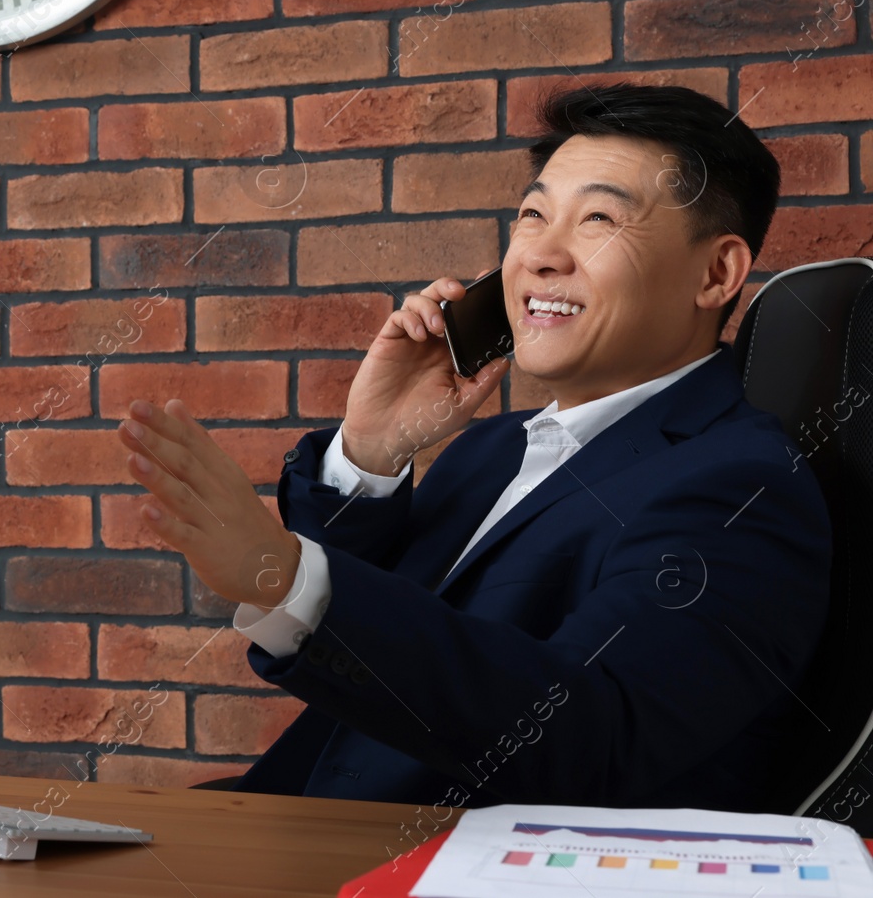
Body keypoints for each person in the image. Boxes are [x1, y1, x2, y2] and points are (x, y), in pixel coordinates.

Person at [118, 82, 832, 813]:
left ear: (716, 274)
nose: (541, 255)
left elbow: (594, 736)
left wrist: (287, 577)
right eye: (532, 215)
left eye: (599, 219)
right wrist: (372, 448)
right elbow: (369, 636)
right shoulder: (491, 447)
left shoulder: (741, 487)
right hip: (302, 819)